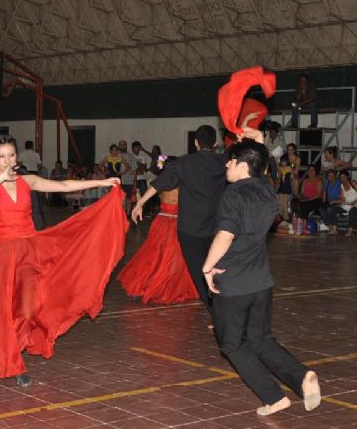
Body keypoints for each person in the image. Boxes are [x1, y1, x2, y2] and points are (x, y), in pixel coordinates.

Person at [0, 134, 125, 387]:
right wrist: (1, 177)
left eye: (11, 155)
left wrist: (102, 182)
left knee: (27, 309)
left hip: (29, 254)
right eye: (1, 156)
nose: (7, 160)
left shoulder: (27, 181)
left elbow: (63, 186)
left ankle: (13, 356)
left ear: (17, 156)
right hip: (1, 256)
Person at [203, 138, 321, 416]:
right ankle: (301, 376)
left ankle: (274, 397)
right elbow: (259, 159)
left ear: (243, 165)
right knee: (260, 340)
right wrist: (254, 139)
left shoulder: (233, 194)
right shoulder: (267, 189)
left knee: (232, 345)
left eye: (231, 161)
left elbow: (225, 234)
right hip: (261, 283)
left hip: (233, 282)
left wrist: (207, 267)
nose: (227, 165)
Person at [131, 125, 226, 315]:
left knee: (199, 271)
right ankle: (224, 307)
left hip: (190, 228)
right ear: (215, 143)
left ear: (196, 143)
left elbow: (158, 183)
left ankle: (216, 310)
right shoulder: (224, 161)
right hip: (217, 228)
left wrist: (140, 202)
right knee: (218, 268)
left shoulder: (184, 162)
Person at [118, 157, 198, 304]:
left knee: (159, 254)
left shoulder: (163, 181)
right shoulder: (176, 182)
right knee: (166, 255)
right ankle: (155, 285)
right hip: (171, 221)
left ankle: (151, 284)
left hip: (166, 220)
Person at [18, 140, 44, 229]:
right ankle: (36, 208)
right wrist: (37, 171)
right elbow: (40, 166)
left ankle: (26, 207)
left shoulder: (22, 154)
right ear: (32, 146)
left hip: (25, 173)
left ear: (25, 146)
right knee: (35, 193)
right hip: (34, 173)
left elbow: (19, 165)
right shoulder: (36, 154)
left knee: (26, 192)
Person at [291, 165, 323, 235]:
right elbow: (302, 193)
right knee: (295, 202)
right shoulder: (305, 180)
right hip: (306, 199)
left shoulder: (319, 180)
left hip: (316, 200)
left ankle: (304, 226)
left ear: (315, 171)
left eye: (313, 170)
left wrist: (308, 199)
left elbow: (318, 194)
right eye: (309, 170)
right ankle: (296, 223)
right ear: (307, 172)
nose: (311, 172)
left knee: (305, 205)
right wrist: (301, 197)